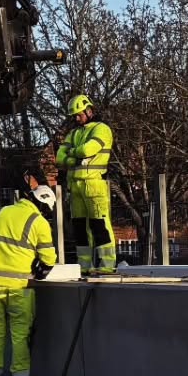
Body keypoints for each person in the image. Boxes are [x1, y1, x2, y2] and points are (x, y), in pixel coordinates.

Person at [0, 184, 58, 376]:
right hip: (20, 287)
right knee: (20, 334)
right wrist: (42, 270)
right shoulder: (38, 222)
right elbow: (48, 258)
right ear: (43, 205)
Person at [56, 93, 115, 276]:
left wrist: (71, 153)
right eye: (74, 115)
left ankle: (107, 264)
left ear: (89, 111)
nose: (76, 118)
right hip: (75, 187)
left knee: (100, 225)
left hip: (94, 185)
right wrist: (77, 157)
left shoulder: (101, 129)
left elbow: (88, 149)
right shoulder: (74, 133)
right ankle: (84, 265)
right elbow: (59, 157)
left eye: (79, 114)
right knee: (80, 229)